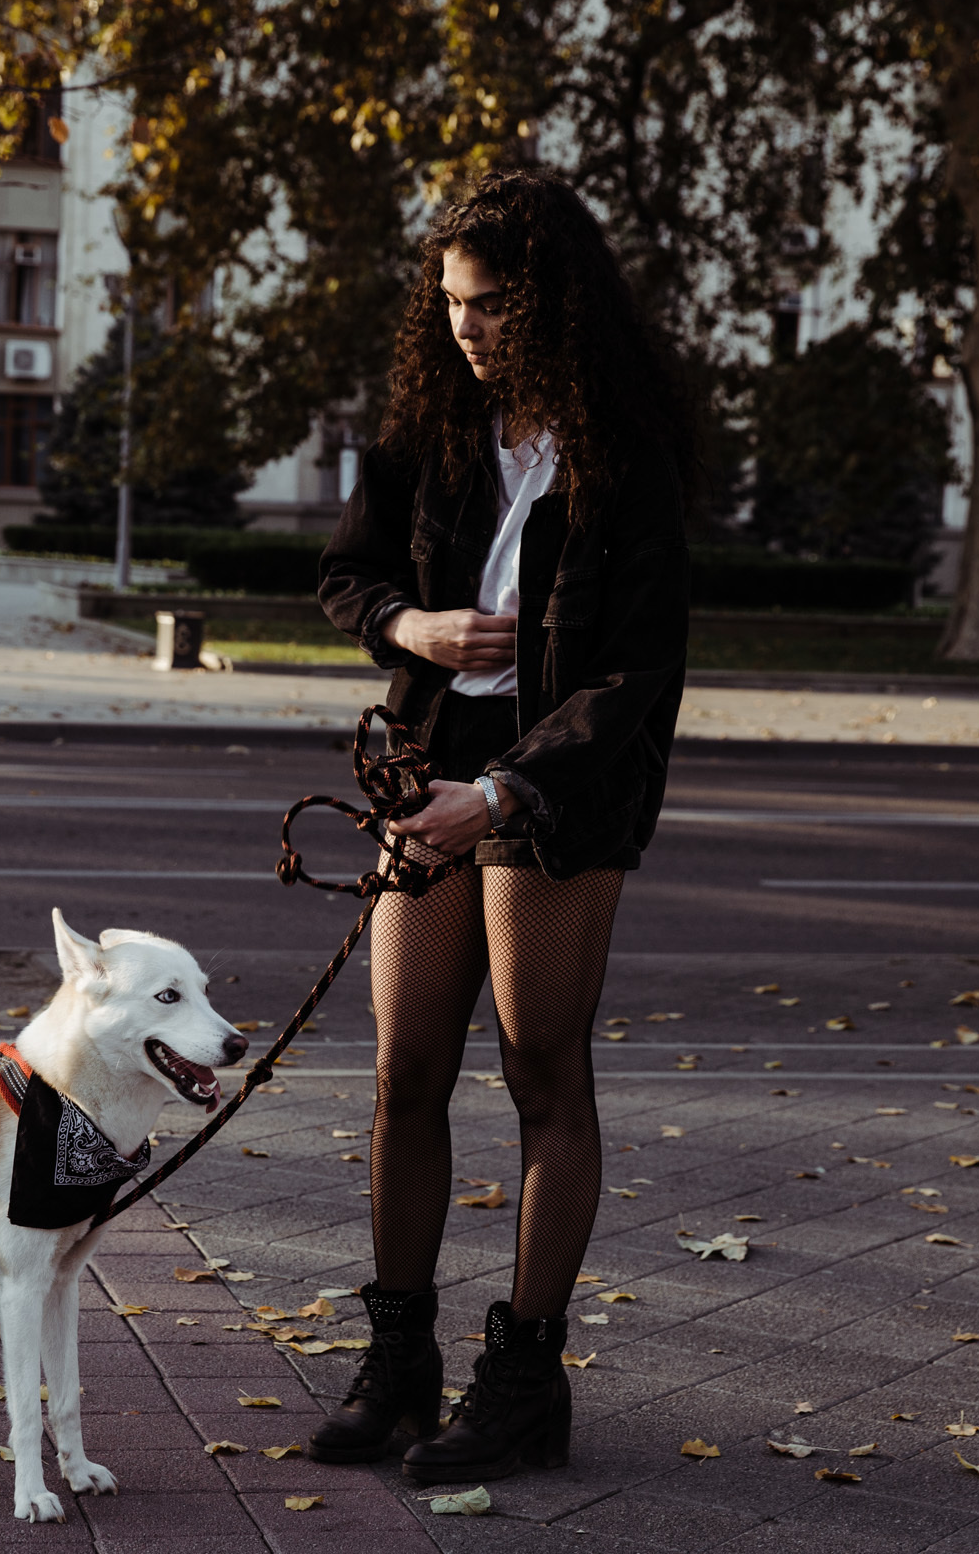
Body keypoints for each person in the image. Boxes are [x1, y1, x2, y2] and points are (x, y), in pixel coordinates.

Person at [312, 168, 693, 1483]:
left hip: (558, 785)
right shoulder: (428, 425)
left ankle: (525, 1381)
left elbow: (632, 670)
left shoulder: (630, 450)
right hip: (429, 761)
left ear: (558, 303)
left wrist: (505, 794)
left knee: (541, 1072)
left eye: (494, 304)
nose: (468, 328)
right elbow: (346, 571)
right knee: (404, 1071)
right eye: (454, 303)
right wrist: (404, 624)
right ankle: (399, 1361)